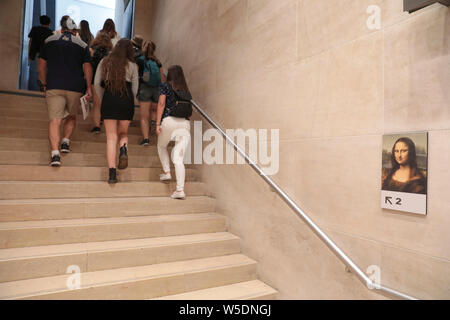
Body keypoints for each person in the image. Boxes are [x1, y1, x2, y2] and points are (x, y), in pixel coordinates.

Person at [39, 17, 93, 167]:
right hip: (75, 86)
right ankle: (65, 141)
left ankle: (55, 154)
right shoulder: (82, 45)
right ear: (75, 31)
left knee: (55, 120)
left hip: (54, 84)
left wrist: (44, 84)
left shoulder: (49, 41)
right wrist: (88, 87)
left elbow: (41, 67)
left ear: (61, 29)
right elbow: (87, 68)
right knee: (71, 115)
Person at [94, 39, 139, 184]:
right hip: (126, 98)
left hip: (109, 98)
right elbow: (135, 88)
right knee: (123, 133)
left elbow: (96, 83)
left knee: (111, 137)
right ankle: (124, 149)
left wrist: (103, 98)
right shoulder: (132, 65)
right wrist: (130, 99)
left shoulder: (104, 61)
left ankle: (112, 173)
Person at [155, 65, 192, 200]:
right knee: (179, 159)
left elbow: (161, 104)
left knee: (161, 145)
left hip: (169, 121)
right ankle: (180, 190)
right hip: (184, 124)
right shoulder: (186, 89)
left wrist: (158, 123)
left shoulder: (165, 86)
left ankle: (167, 172)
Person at [137, 41, 165, 146]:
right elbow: (163, 79)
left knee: (144, 116)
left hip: (145, 88)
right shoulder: (157, 62)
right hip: (157, 89)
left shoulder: (140, 60)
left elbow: (136, 75)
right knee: (154, 109)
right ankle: (153, 123)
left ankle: (146, 139)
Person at [89, 31, 113, 133]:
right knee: (105, 103)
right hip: (108, 80)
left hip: (95, 79)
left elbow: (89, 66)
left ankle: (96, 126)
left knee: (96, 104)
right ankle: (104, 120)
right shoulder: (111, 53)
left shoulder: (92, 50)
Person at [28, 15, 53, 91]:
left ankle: (40, 89)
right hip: (46, 55)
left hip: (36, 53)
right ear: (49, 23)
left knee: (39, 72)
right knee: (44, 72)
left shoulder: (35, 29)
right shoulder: (50, 32)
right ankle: (43, 88)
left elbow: (30, 42)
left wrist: (29, 53)